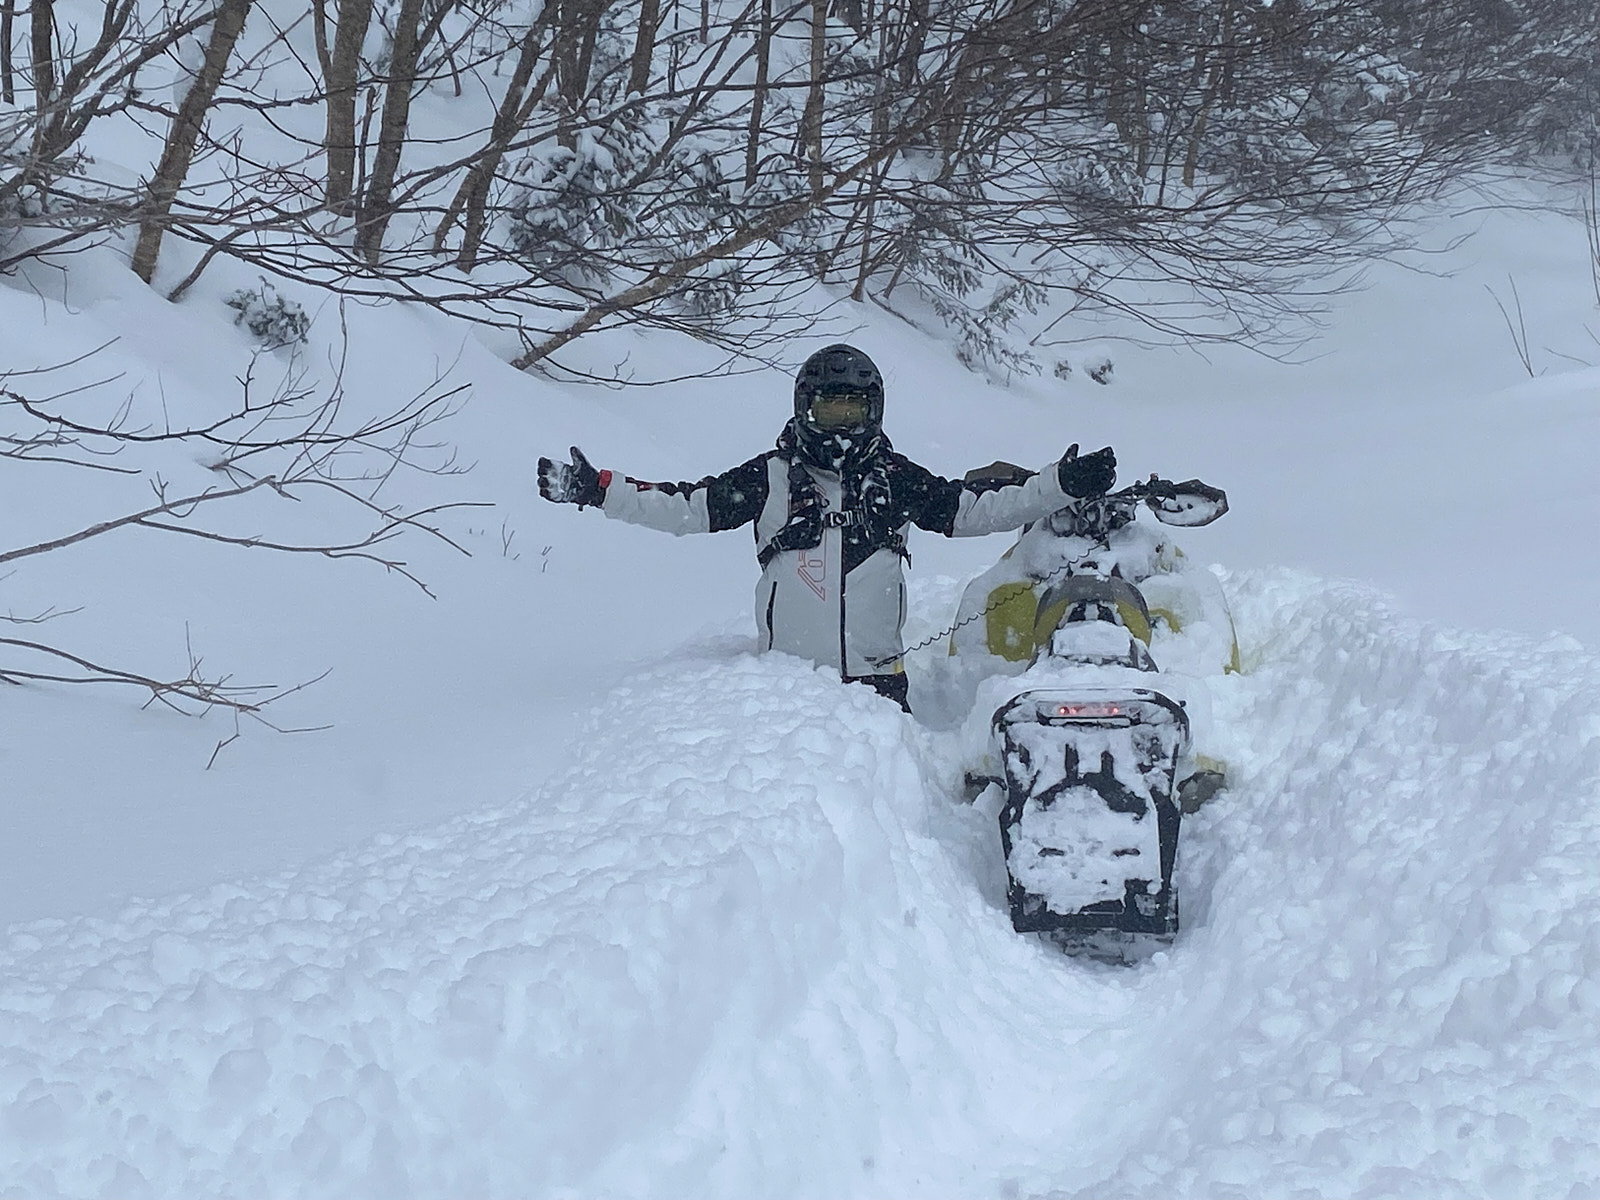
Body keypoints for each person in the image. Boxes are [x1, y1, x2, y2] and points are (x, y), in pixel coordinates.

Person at [537, 344, 1115, 711]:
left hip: (879, 689)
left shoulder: (895, 478)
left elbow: (975, 508)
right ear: (803, 408)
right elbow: (684, 506)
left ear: (875, 411)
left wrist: (1060, 482)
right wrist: (599, 489)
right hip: (784, 691)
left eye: (854, 412)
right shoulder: (770, 477)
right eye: (829, 411)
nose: (842, 426)